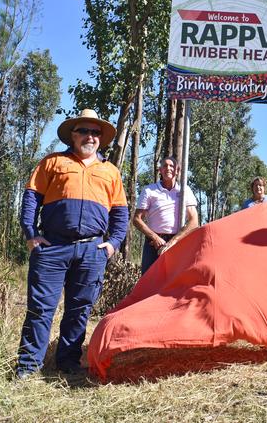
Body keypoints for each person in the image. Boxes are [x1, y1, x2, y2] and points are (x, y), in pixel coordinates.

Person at [16, 109, 128, 379]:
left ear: (101, 138)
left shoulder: (110, 171)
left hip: (92, 251)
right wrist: (31, 234)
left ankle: (67, 363)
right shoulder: (52, 162)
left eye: (95, 132)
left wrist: (112, 243)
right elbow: (31, 198)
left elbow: (121, 213)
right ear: (72, 135)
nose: (90, 136)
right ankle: (29, 368)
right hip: (51, 248)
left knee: (79, 310)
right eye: (84, 131)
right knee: (41, 309)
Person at [133, 156, 199, 274]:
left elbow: (194, 221)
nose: (168, 168)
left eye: (172, 166)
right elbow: (137, 219)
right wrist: (155, 237)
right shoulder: (149, 190)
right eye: (165, 166)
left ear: (177, 171)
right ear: (160, 170)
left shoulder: (185, 191)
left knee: (174, 282)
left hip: (178, 243)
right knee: (149, 280)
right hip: (153, 243)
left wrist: (174, 241)